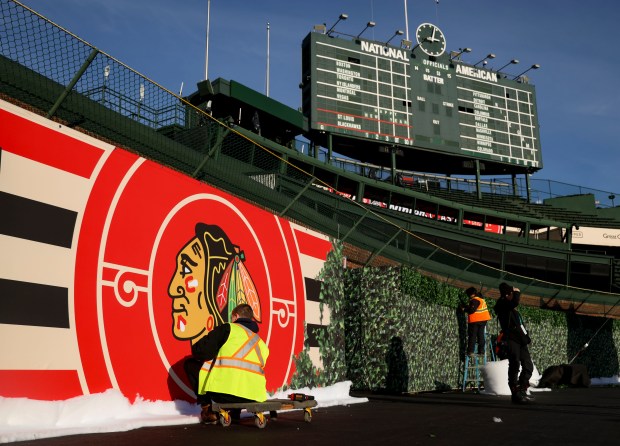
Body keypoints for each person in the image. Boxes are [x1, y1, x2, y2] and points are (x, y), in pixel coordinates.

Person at [184, 303, 269, 424]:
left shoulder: (228, 329)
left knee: (190, 364)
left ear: (235, 316)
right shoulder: (261, 344)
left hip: (224, 393)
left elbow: (200, 351)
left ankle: (208, 411)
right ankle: (235, 413)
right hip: (254, 396)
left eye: (232, 317)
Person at [494, 282, 534, 404]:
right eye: (512, 293)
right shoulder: (502, 304)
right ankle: (515, 392)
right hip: (511, 339)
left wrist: (526, 337)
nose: (514, 295)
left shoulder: (511, 308)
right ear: (507, 294)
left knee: (528, 365)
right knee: (514, 364)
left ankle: (521, 389)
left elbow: (520, 325)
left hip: (521, 340)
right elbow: (514, 302)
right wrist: (516, 292)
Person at [462, 287, 492, 356]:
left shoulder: (475, 300)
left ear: (472, 294)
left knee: (473, 336)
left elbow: (472, 310)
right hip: (483, 320)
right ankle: (481, 351)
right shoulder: (481, 299)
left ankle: (470, 351)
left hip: (475, 320)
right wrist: (467, 306)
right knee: (480, 335)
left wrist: (464, 309)